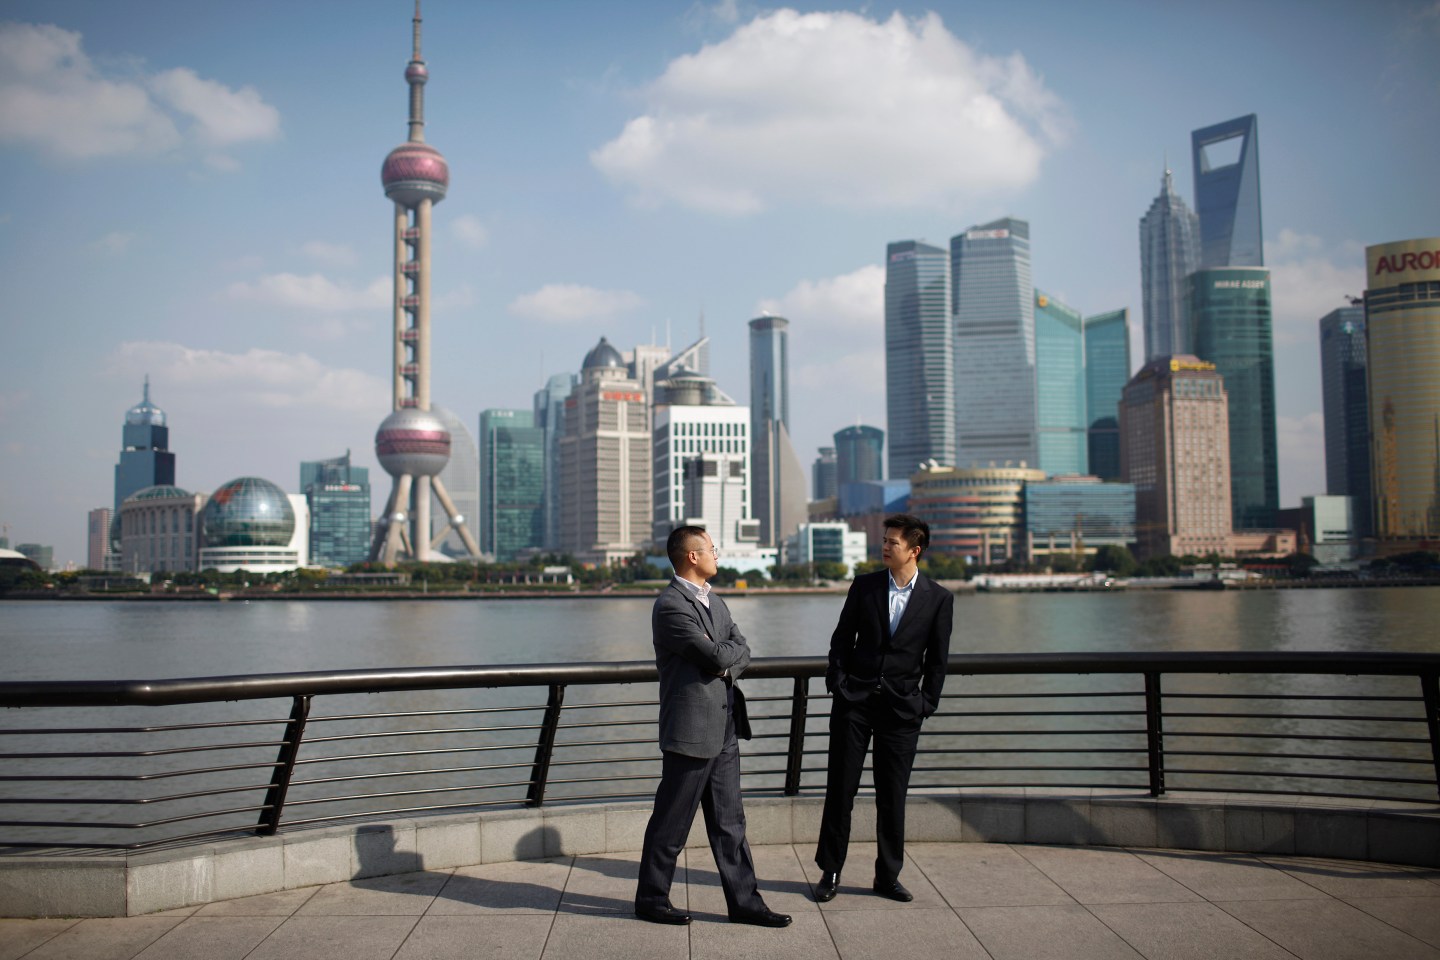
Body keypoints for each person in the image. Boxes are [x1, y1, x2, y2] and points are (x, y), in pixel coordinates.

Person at [634, 525, 792, 928]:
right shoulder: (671, 605)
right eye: (712, 549)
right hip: (689, 731)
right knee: (671, 822)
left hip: (724, 727)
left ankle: (745, 903)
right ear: (692, 556)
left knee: (730, 824)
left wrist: (728, 655)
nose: (716, 555)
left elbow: (741, 650)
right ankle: (651, 899)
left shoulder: (714, 602)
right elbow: (713, 655)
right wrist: (727, 655)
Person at [813, 513, 954, 903]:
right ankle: (831, 870)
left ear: (915, 550)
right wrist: (837, 683)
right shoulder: (865, 586)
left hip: (902, 710)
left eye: (893, 542)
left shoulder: (939, 598)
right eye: (885, 540)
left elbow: (938, 660)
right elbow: (841, 639)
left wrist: (926, 703)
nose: (885, 546)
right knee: (841, 789)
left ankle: (887, 876)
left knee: (892, 795)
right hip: (854, 703)